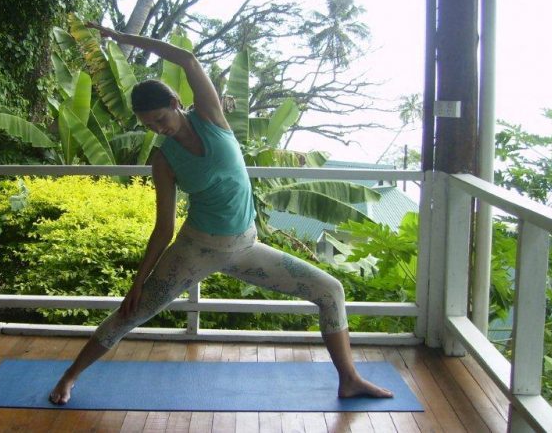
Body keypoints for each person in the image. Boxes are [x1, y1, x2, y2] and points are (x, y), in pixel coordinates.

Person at [48, 22, 393, 405]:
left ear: (177, 101)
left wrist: (126, 39)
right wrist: (137, 282)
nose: (158, 129)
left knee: (331, 291)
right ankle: (69, 377)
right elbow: (163, 228)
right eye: (149, 125)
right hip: (195, 249)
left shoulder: (211, 118)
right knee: (130, 314)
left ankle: (349, 379)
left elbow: (186, 58)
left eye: (161, 118)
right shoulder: (163, 160)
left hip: (246, 247)